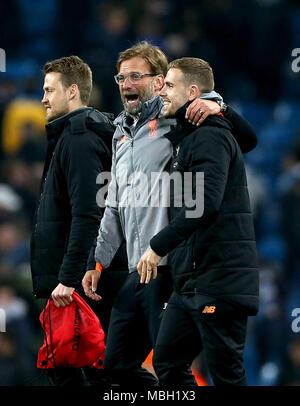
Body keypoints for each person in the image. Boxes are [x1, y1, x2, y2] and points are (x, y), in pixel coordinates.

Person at [82, 41, 257, 386]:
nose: (125, 83)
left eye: (135, 76)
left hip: (170, 267)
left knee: (204, 368)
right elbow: (114, 206)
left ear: (159, 82)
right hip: (146, 266)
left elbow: (245, 141)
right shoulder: (120, 133)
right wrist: (96, 261)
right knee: (130, 364)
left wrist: (218, 103)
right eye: (120, 77)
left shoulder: (177, 126)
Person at [137, 57, 259, 386]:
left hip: (219, 279)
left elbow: (205, 204)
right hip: (191, 281)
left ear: (193, 92)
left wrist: (157, 247)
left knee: (226, 375)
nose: (161, 92)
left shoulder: (210, 136)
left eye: (170, 86)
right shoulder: (187, 137)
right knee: (167, 361)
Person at [30, 55, 127, 386]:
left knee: (85, 372)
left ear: (72, 92)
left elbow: (88, 215)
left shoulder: (78, 139)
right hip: (79, 279)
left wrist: (69, 279)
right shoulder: (76, 136)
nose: (43, 99)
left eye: (49, 90)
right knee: (79, 370)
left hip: (78, 283)